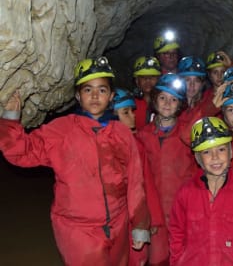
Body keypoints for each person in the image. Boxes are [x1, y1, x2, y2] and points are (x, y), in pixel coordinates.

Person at [0, 57, 150, 265]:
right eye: (88, 90)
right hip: (78, 229)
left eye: (102, 90)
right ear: (78, 96)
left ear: (111, 96)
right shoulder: (61, 130)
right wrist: (10, 118)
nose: (95, 96)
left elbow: (135, 183)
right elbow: (22, 152)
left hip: (118, 224)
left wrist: (139, 224)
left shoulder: (122, 134)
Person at [169, 116, 233, 265]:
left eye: (221, 149)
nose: (215, 157)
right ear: (198, 158)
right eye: (206, 152)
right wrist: (177, 261)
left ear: (231, 152)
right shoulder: (185, 193)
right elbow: (176, 232)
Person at [136, 73, 198, 265]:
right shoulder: (143, 135)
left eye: (173, 99)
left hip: (184, 209)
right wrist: (147, 216)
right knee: (158, 258)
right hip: (156, 212)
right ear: (154, 100)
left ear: (180, 105)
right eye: (162, 98)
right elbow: (139, 179)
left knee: (185, 256)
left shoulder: (188, 133)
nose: (167, 103)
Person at [112, 88, 164, 266]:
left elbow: (147, 183)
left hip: (136, 215)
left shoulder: (137, 146)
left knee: (138, 258)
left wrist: (153, 219)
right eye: (125, 112)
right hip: (113, 217)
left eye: (132, 111)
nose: (133, 116)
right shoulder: (101, 146)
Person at [132, 56, 162, 130]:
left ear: (159, 79)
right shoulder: (130, 105)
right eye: (143, 77)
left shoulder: (166, 102)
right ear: (137, 80)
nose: (148, 80)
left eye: (152, 76)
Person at [177, 55, 208, 123]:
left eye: (197, 81)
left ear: (202, 84)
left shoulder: (206, 105)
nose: (192, 85)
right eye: (187, 80)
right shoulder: (172, 107)